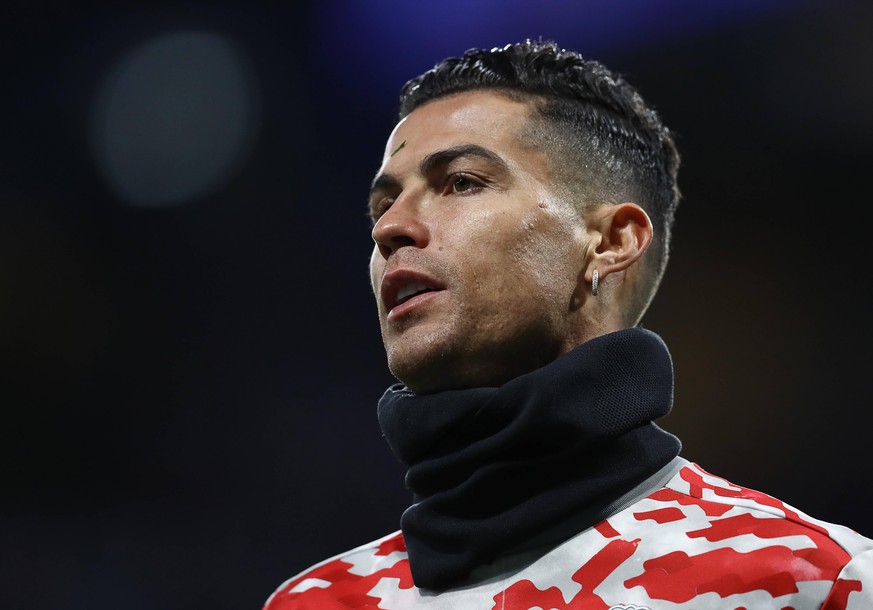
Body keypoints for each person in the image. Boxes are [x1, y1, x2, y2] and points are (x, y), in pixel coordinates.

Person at [262, 40, 873, 609]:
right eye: (382, 204)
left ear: (610, 241)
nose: (390, 228)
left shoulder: (812, 581)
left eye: (462, 183)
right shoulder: (315, 601)